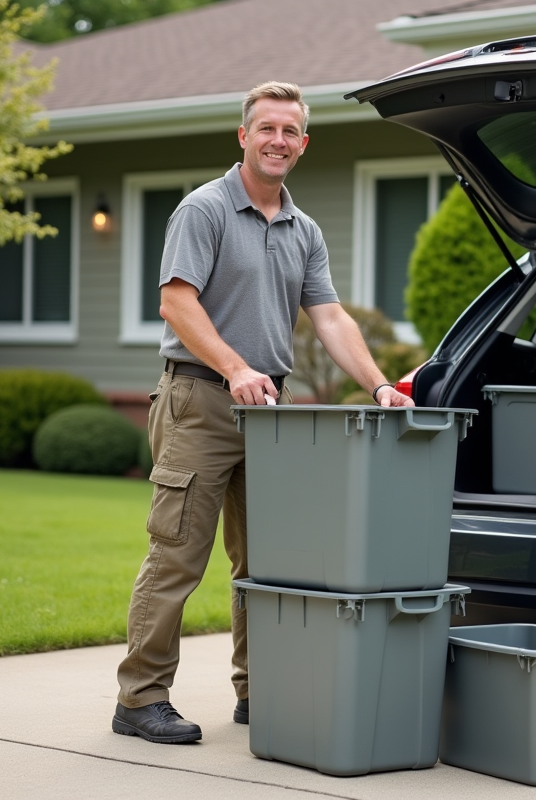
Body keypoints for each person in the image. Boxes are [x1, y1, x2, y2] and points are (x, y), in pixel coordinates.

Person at [111, 81, 414, 744]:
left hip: (271, 414)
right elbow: (176, 303)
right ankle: (140, 697)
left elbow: (328, 316)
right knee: (177, 557)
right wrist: (235, 367)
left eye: (289, 131)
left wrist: (378, 386)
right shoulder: (205, 209)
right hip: (201, 401)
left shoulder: (304, 230)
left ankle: (260, 690)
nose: (278, 140)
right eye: (267, 128)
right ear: (244, 136)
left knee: (267, 564)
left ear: (303, 144)